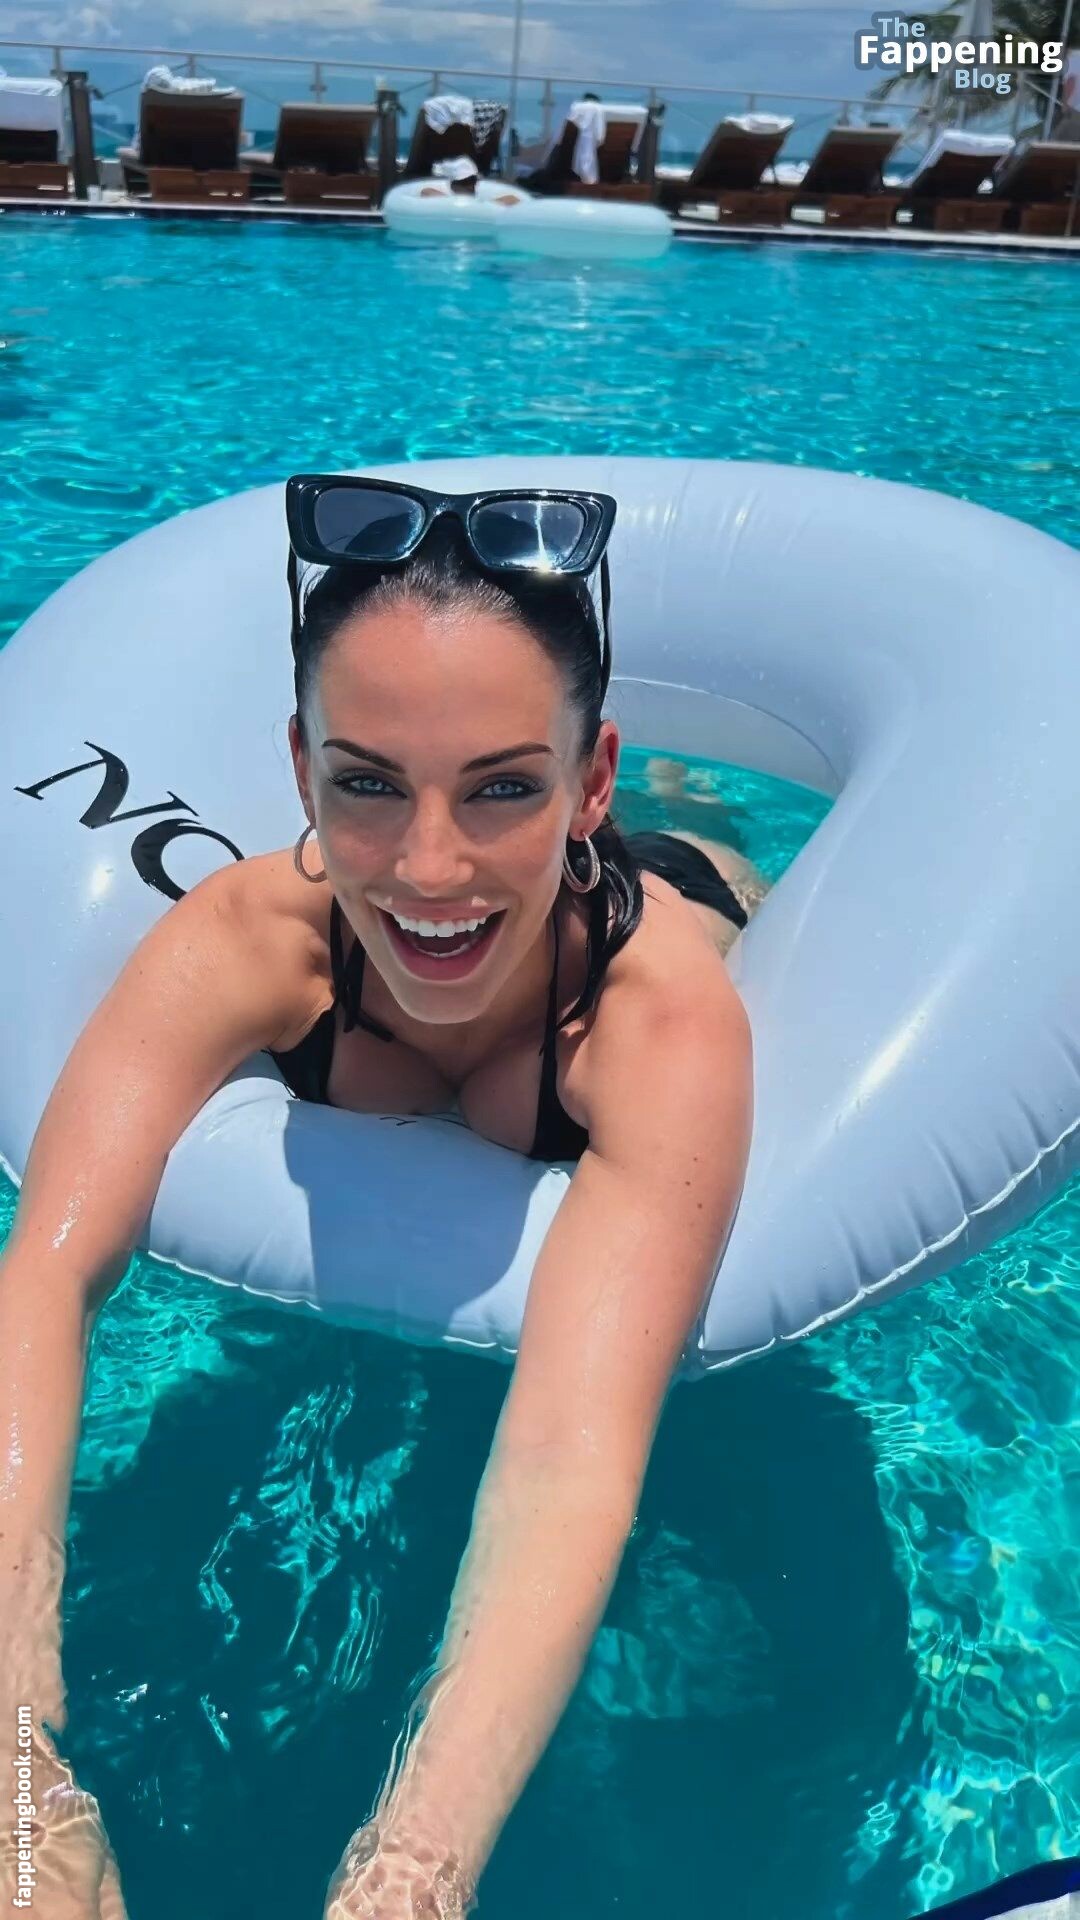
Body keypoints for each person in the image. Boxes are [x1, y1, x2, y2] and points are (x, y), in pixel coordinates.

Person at [0, 475, 765, 1919]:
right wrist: (17, 1778)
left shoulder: (659, 1026)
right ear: (299, 771)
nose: (428, 866)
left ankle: (685, 805)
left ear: (587, 778)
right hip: (520, 915)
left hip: (655, 897)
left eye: (504, 785)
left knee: (714, 858)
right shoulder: (250, 939)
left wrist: (411, 1872)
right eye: (367, 784)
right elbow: (45, 1270)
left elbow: (570, 1453)